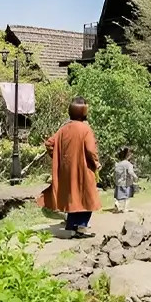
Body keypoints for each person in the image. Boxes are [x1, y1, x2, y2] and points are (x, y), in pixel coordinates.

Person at [39, 98, 102, 238]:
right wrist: (96, 163)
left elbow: (50, 144)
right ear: (84, 113)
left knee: (73, 198)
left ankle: (70, 227)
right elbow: (91, 150)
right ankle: (80, 228)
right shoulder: (85, 129)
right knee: (88, 198)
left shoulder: (64, 129)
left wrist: (58, 157)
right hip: (83, 169)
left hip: (67, 170)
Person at [113, 147, 138, 213]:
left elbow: (114, 174)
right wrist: (135, 177)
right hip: (126, 183)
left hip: (118, 183)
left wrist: (115, 181)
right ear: (128, 155)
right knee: (127, 197)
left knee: (119, 196)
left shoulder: (118, 164)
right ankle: (125, 209)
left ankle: (117, 203)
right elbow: (130, 172)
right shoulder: (128, 164)